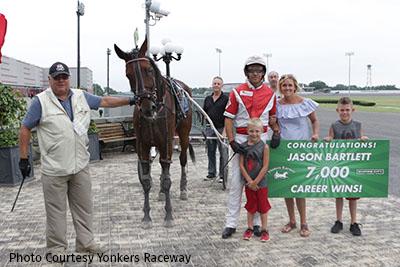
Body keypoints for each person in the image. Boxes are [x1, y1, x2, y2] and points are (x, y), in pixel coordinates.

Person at [18, 62, 135, 259]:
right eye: (57, 77)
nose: (61, 80)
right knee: (56, 212)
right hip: (54, 168)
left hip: (80, 165)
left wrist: (131, 101)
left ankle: (85, 244)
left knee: (84, 208)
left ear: (69, 79)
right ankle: (56, 249)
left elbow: (104, 102)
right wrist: (23, 158)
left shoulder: (81, 96)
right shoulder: (40, 101)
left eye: (64, 76)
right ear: (50, 80)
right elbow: (25, 129)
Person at [221, 55, 280, 239]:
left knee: (258, 184)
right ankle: (231, 224)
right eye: (252, 70)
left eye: (259, 70)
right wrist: (232, 142)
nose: (255, 73)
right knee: (237, 184)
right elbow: (228, 118)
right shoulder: (236, 91)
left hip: (261, 139)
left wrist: (276, 131)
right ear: (246, 72)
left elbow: (272, 118)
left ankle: (256, 224)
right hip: (241, 139)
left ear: (263, 73)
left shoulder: (271, 94)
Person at [276, 74, 319, 237]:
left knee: (300, 187)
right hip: (283, 150)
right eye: (284, 86)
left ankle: (304, 222)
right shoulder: (277, 105)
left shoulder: (305, 103)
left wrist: (315, 134)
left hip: (301, 150)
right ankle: (292, 221)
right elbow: (273, 123)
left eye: (290, 85)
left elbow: (314, 121)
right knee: (287, 186)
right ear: (281, 87)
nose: (287, 88)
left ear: (295, 86)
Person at [323, 97, 368, 236]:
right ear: (337, 110)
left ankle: (354, 222)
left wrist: (363, 139)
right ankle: (338, 220)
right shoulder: (334, 125)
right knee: (339, 194)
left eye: (347, 110)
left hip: (352, 165)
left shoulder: (358, 125)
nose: (344, 113)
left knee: (353, 196)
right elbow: (331, 139)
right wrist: (329, 139)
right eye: (342, 110)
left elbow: (360, 139)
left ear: (352, 110)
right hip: (339, 165)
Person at [240, 118, 271, 242]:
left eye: (257, 131)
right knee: (251, 205)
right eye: (251, 131)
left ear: (262, 131)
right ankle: (250, 227)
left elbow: (265, 166)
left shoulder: (264, 147)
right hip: (249, 182)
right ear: (247, 131)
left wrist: (256, 181)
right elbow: (241, 165)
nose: (254, 134)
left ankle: (264, 229)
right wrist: (249, 181)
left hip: (261, 182)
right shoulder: (243, 147)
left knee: (263, 205)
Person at [203, 76, 229, 182]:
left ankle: (222, 175)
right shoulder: (208, 99)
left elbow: (229, 116)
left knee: (223, 152)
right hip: (210, 129)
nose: (216, 86)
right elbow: (204, 111)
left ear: (222, 86)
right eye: (214, 84)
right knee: (211, 151)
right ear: (212, 85)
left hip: (221, 128)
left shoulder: (226, 99)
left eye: (218, 84)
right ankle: (211, 173)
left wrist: (225, 131)